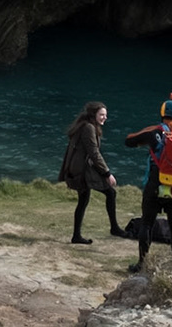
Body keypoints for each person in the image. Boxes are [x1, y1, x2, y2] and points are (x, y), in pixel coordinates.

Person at [122, 92, 172, 272]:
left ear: (162, 111)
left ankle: (142, 263)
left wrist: (145, 143)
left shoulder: (155, 131)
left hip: (155, 183)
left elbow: (129, 141)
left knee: (147, 223)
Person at [58, 101, 124, 244]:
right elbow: (94, 153)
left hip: (79, 168)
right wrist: (107, 173)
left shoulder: (86, 126)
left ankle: (77, 236)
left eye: (105, 115)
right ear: (93, 115)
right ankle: (114, 228)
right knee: (110, 193)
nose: (104, 118)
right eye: (101, 115)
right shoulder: (88, 128)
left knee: (84, 200)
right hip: (81, 170)